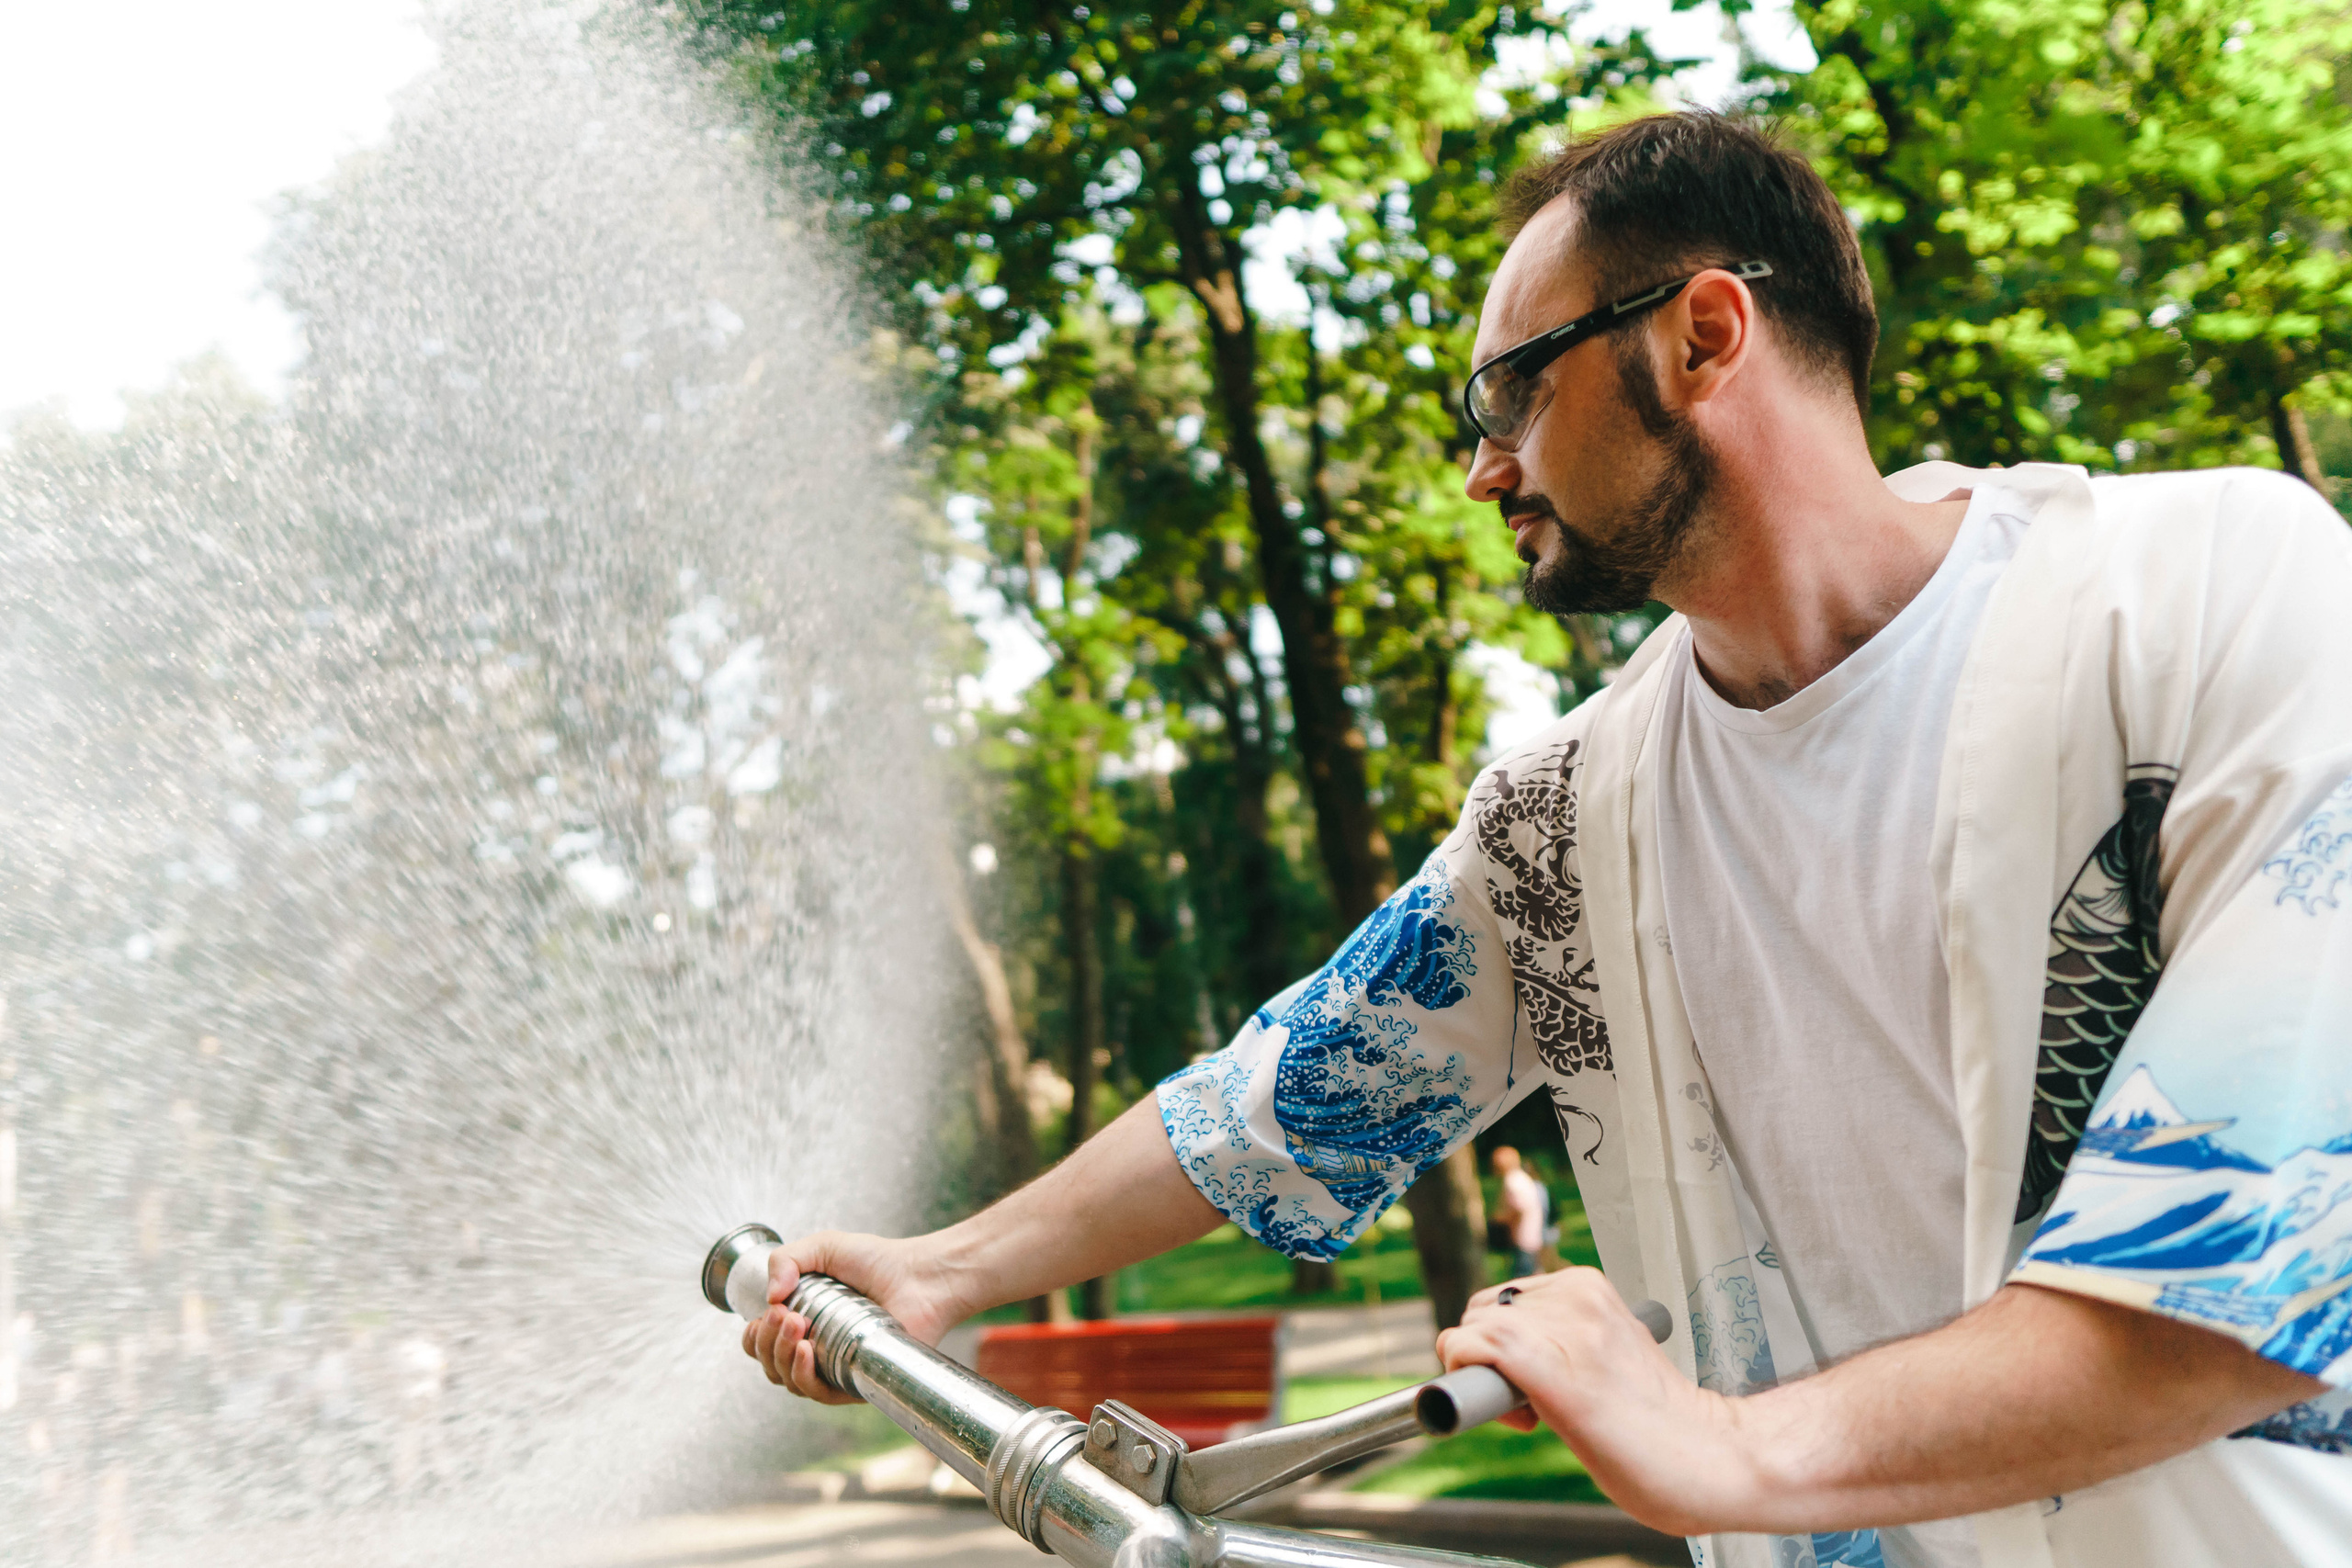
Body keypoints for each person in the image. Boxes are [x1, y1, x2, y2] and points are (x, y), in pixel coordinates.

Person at [745, 113, 2352, 1567]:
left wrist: (1716, 1444)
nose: (1477, 461)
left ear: (1705, 334)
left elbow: (2241, 1283)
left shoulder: (2216, 598)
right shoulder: (1564, 814)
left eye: (1511, 386)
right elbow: (1283, 1095)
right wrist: (944, 1265)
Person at [1489, 1145, 1549, 1281]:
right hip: (1531, 1236)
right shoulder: (1522, 1178)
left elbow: (1518, 1209)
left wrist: (1500, 1221)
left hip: (1522, 1237)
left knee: (1522, 1280)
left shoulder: (1513, 1181)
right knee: (1533, 1275)